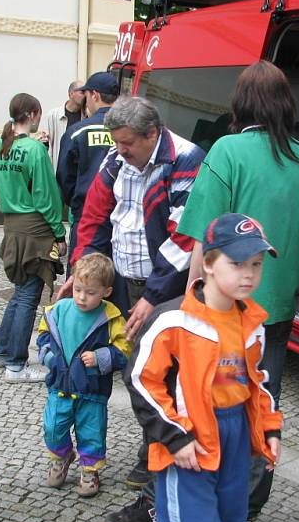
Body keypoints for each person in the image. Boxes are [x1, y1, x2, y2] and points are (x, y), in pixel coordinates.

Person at [176, 59, 299, 522]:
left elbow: (205, 236)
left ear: (240, 104)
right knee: (263, 401)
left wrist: (193, 294)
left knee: (208, 398)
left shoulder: (226, 150)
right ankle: (249, 506)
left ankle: (208, 495)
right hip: (275, 308)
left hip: (223, 308)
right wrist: (282, 282)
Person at [57, 96, 205, 493]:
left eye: (126, 143)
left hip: (165, 288)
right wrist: (82, 268)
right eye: (116, 142)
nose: (119, 149)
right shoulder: (115, 158)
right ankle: (153, 447)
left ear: (152, 134)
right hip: (123, 283)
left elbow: (185, 235)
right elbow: (93, 216)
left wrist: (153, 295)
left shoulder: (186, 159)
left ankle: (157, 455)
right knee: (133, 369)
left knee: (161, 374)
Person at [125, 213, 282, 522]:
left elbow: (258, 381)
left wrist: (270, 428)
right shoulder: (173, 320)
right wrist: (174, 437)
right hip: (190, 440)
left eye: (256, 264)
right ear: (208, 263)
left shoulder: (253, 321)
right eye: (238, 263)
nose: (249, 274)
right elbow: (140, 380)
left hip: (236, 435)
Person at [38, 252, 131, 497]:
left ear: (106, 292)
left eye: (90, 292)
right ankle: (62, 456)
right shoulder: (59, 310)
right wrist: (49, 357)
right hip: (60, 385)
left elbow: (124, 348)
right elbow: (44, 334)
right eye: (78, 289)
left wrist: (102, 358)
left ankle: (90, 470)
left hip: (92, 391)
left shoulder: (110, 316)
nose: (81, 297)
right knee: (53, 427)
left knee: (91, 431)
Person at [0, 93, 66, 383]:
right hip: (34, 228)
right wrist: (59, 233)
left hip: (12, 226)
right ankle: (16, 364)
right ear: (33, 114)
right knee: (27, 296)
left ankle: (1, 351)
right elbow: (46, 196)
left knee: (21, 291)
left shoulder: (0, 144)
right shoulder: (34, 150)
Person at [56, 72, 118, 259]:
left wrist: (77, 203)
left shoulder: (77, 132)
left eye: (86, 95)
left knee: (84, 278)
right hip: (123, 220)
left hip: (87, 218)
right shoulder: (130, 130)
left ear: (95, 95)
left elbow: (64, 178)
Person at [38, 79, 84, 173]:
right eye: (82, 92)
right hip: (59, 170)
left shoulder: (87, 116)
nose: (85, 95)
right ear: (71, 94)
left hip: (78, 171)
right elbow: (48, 144)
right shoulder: (54, 115)